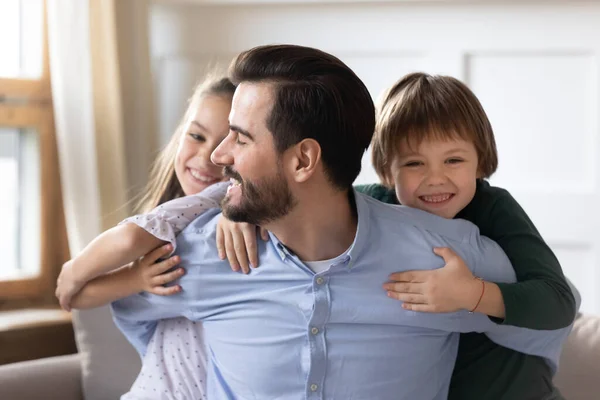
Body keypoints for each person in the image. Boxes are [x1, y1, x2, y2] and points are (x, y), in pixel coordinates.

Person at [109, 45, 573, 399]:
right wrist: (233, 212)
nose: (218, 155)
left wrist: (472, 296)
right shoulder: (217, 249)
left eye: (241, 138)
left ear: (305, 160)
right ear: (389, 172)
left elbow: (553, 311)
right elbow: (130, 308)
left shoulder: (463, 244)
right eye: (413, 165)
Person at [55, 76, 237, 399]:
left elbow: (88, 278)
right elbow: (79, 299)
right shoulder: (167, 228)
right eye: (196, 136)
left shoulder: (223, 200)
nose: (208, 156)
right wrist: (136, 277)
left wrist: (73, 270)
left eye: (228, 147)